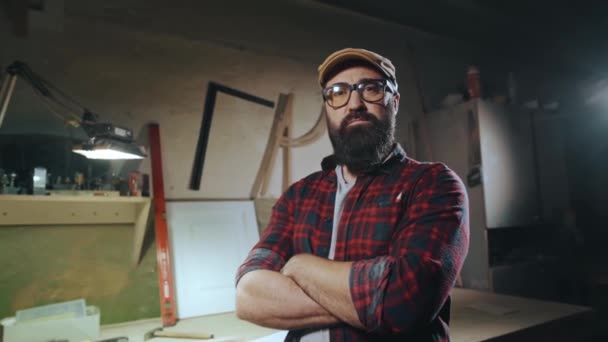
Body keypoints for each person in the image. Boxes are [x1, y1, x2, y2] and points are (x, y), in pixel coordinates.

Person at [235, 48, 469, 341]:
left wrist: (300, 267)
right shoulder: (298, 196)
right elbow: (248, 297)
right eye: (338, 92)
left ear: (394, 102)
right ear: (328, 108)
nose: (354, 103)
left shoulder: (433, 184)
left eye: (371, 89)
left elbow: (405, 305)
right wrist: (370, 303)